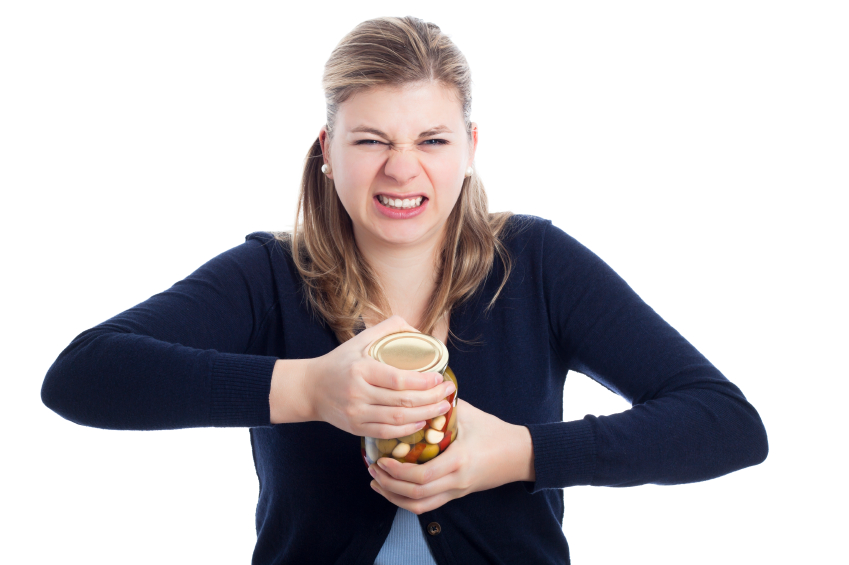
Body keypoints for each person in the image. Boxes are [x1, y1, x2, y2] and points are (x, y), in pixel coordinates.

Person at [41, 16, 768, 565]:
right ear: (327, 152)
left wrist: (519, 453)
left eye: (431, 139)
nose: (401, 169)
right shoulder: (269, 274)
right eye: (370, 140)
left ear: (470, 148)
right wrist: (310, 390)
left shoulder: (535, 261)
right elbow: (83, 375)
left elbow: (725, 424)